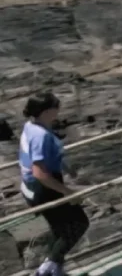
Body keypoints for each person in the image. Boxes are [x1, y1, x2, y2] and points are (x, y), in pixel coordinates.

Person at [18, 93, 89, 276]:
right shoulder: (41, 135)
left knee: (60, 229)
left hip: (35, 184)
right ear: (47, 111)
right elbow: (39, 172)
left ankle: (55, 268)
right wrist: (69, 192)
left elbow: (46, 155)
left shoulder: (32, 125)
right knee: (79, 223)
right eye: (56, 108)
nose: (59, 112)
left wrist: (65, 167)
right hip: (43, 187)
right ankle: (47, 267)